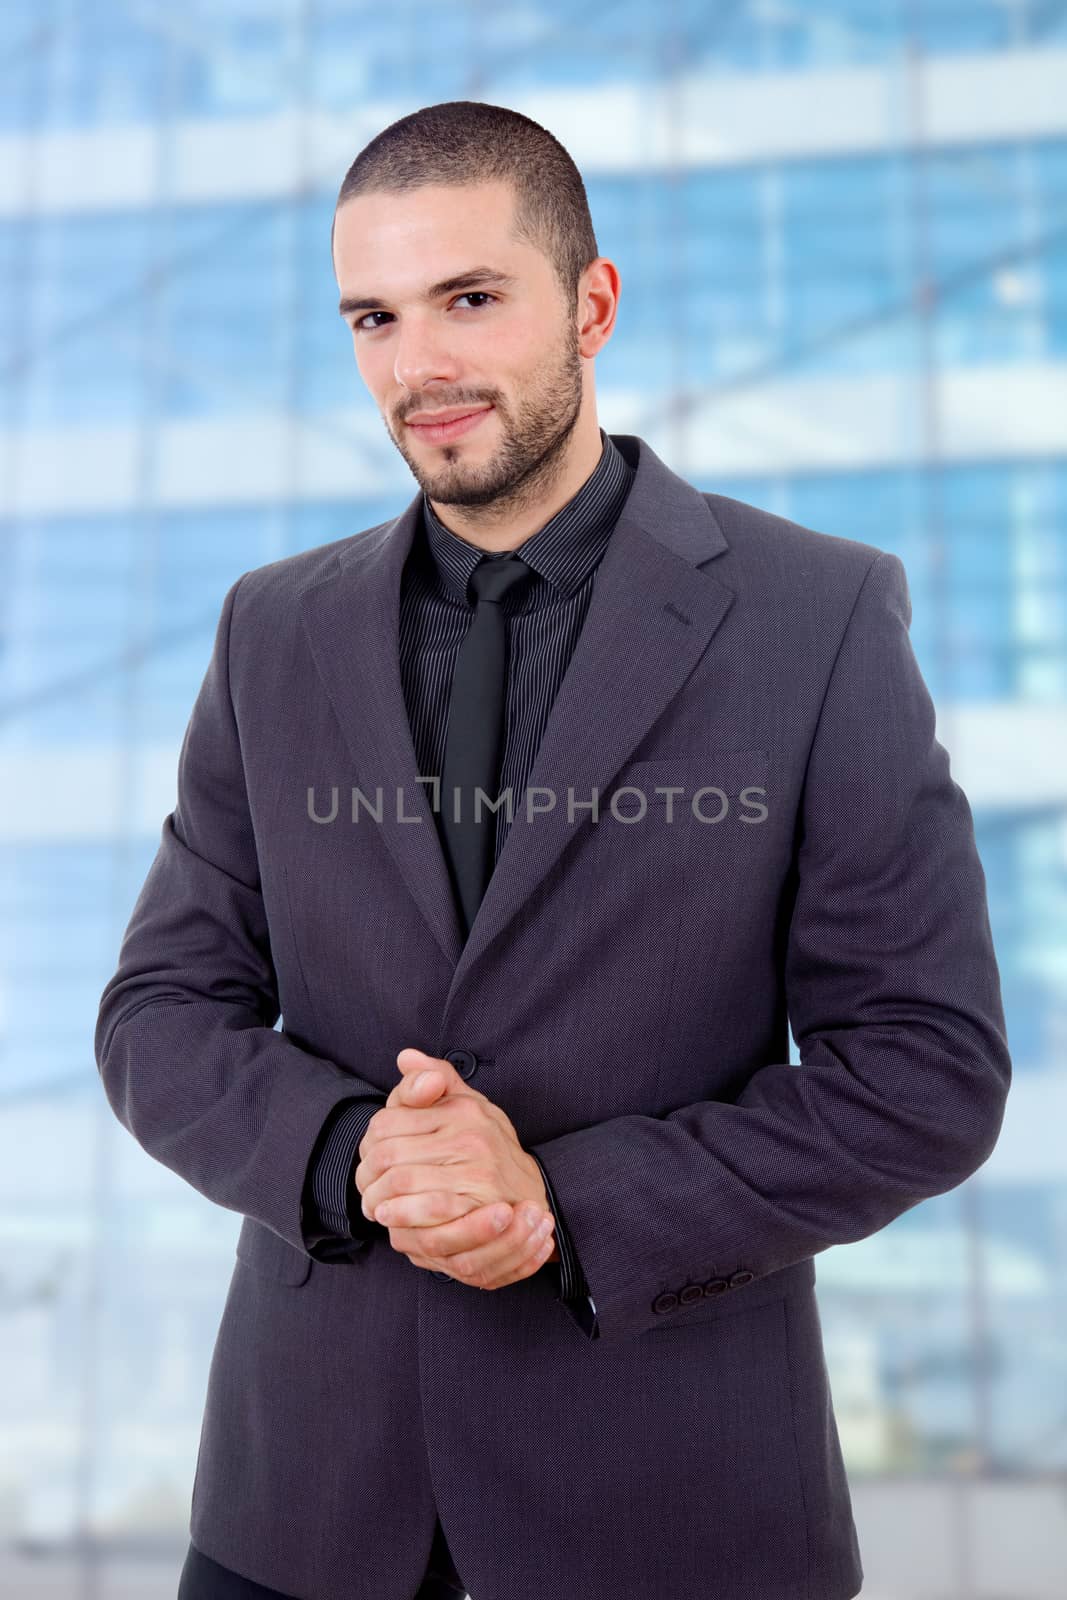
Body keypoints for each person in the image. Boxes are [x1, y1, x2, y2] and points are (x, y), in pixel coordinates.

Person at [94, 100, 1012, 1600]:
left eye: (469, 299)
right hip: (301, 1516)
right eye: (373, 317)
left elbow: (925, 1067)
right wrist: (353, 1153)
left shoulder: (817, 615)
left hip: (676, 1518)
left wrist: (560, 1209)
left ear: (592, 304)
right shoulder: (272, 630)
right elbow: (156, 1015)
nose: (417, 365)